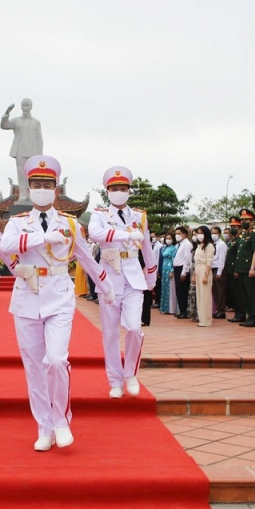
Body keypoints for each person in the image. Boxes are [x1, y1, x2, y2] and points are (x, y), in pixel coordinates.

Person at [0, 155, 109, 451]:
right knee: (34, 367)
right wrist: (42, 237)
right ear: (29, 188)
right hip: (27, 298)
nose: (42, 189)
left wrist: (106, 288)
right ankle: (43, 427)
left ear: (56, 188)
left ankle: (61, 419)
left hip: (59, 295)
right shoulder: (17, 222)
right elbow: (6, 246)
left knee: (57, 360)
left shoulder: (70, 224)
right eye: (36, 184)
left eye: (47, 184)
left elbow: (86, 257)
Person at [87, 166, 157, 399]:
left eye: (123, 188)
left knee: (134, 328)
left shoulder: (139, 216)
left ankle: (131, 374)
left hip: (133, 277)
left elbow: (146, 246)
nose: (119, 192)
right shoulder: (99, 215)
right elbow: (95, 234)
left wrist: (151, 273)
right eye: (115, 188)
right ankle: (115, 381)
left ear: (129, 191)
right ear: (108, 191)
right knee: (109, 334)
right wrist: (126, 235)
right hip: (109, 278)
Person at [232, 209, 255, 327]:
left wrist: (252, 268)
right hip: (242, 269)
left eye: (246, 220)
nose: (243, 222)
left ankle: (254, 318)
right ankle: (249, 316)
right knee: (244, 294)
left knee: (251, 294)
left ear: (252, 221)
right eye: (242, 220)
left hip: (249, 269)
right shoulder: (244, 235)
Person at [192, 225, 215, 327]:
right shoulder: (199, 246)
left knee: (205, 296)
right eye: (198, 233)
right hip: (198, 269)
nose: (199, 235)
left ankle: (206, 320)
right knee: (200, 296)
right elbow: (196, 261)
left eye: (201, 233)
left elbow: (209, 261)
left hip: (205, 270)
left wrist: (206, 275)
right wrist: (194, 274)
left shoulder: (209, 246)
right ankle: (201, 318)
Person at [172, 226, 193, 319]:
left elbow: (187, 259)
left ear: (184, 234)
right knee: (179, 291)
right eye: (176, 233)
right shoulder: (180, 244)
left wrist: (184, 272)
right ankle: (181, 310)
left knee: (182, 291)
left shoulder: (187, 244)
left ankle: (184, 311)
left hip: (182, 269)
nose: (177, 235)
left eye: (179, 233)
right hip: (177, 268)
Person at [210, 225, 227, 319]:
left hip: (218, 268)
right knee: (215, 290)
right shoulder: (212, 244)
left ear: (219, 234)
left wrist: (219, 272)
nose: (213, 235)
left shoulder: (222, 245)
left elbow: (222, 259)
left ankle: (221, 310)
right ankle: (217, 309)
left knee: (220, 291)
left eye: (215, 233)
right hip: (212, 268)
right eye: (212, 233)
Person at [160, 234, 178, 315]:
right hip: (164, 269)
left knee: (171, 288)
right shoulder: (165, 248)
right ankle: (165, 308)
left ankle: (172, 308)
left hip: (170, 268)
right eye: (167, 238)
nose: (168, 240)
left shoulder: (174, 248)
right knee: (164, 288)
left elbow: (174, 259)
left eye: (169, 238)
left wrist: (172, 270)